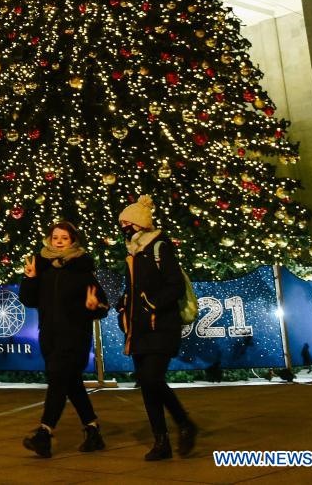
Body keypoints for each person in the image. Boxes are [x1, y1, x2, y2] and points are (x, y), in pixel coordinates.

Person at [19, 220, 109, 458]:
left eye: (64, 238)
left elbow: (102, 305)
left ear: (73, 241)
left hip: (75, 336)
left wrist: (93, 306)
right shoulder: (43, 268)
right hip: (49, 336)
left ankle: (44, 433)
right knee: (71, 384)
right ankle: (93, 430)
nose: (59, 241)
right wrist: (30, 278)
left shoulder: (82, 270)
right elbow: (28, 300)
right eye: (55, 237)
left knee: (58, 380)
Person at [117, 195, 198, 461]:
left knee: (152, 378)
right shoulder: (133, 253)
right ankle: (160, 441)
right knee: (148, 384)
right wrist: (123, 303)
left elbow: (173, 285)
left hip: (161, 326)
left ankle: (184, 423)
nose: (123, 228)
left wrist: (151, 303)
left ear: (139, 224)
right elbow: (134, 288)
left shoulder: (159, 247)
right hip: (139, 329)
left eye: (127, 223)